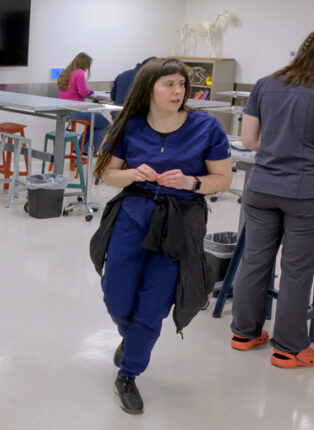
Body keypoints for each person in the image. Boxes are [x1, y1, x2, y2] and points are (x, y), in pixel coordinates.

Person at [89, 58, 232, 414]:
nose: (178, 91)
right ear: (150, 88)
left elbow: (223, 179)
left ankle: (128, 372)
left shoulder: (207, 127)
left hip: (180, 223)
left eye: (182, 85)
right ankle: (131, 337)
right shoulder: (130, 125)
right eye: (169, 84)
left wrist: (192, 183)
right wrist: (134, 173)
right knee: (116, 296)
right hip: (133, 216)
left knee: (153, 304)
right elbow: (106, 172)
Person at [230, 27, 314, 369]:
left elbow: (249, 140)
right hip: (307, 194)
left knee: (255, 260)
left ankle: (244, 333)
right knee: (296, 270)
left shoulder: (264, 84)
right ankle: (290, 348)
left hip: (262, 187)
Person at [56, 52, 109, 152]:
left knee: (93, 124)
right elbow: (83, 92)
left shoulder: (65, 73)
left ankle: (78, 150)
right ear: (85, 65)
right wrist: (92, 91)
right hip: (76, 111)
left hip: (65, 111)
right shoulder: (79, 73)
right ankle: (87, 152)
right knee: (105, 125)